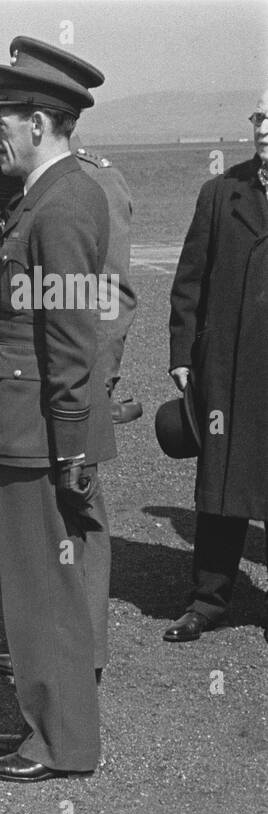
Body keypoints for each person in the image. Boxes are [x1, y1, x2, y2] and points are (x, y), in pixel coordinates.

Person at [0, 37, 131, 682]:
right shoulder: (28, 179)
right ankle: (50, 647)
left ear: (42, 116)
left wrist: (90, 388)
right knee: (53, 532)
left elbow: (110, 296)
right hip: (37, 371)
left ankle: (79, 651)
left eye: (2, 117)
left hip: (66, 377)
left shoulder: (86, 185)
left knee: (77, 521)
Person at [0, 42, 115, 782]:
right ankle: (47, 727)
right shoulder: (48, 196)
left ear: (36, 124)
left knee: (43, 592)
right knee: (40, 587)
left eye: (3, 124)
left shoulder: (62, 203)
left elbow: (71, 339)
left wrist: (70, 447)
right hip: (29, 419)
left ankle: (60, 743)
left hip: (41, 428)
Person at [163, 89, 268, 643]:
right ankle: (207, 600)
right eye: (259, 116)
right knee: (221, 489)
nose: (264, 127)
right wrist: (182, 356)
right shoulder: (220, 192)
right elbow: (189, 282)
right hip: (226, 368)